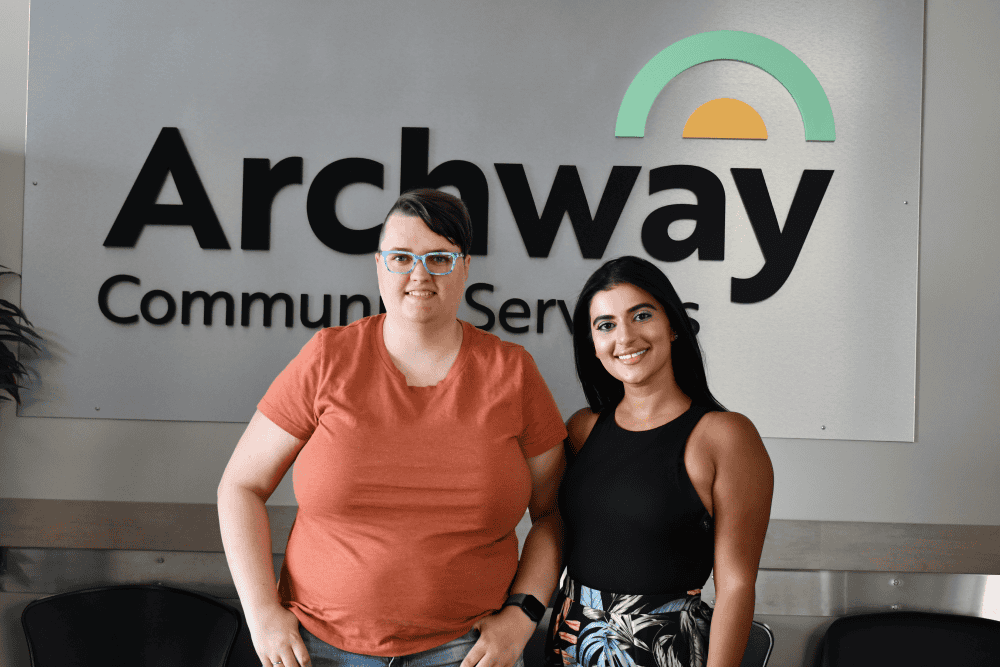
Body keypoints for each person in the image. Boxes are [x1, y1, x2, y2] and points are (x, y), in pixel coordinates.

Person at [218, 189, 568, 667]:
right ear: (378, 265)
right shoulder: (327, 358)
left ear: (465, 267)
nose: (419, 273)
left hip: (471, 653)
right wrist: (260, 614)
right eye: (401, 257)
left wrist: (523, 617)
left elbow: (553, 514)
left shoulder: (512, 372)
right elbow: (241, 485)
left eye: (439, 258)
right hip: (317, 649)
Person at [545, 256, 773, 667]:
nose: (625, 337)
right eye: (606, 325)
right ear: (593, 345)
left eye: (642, 315)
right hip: (570, 642)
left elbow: (737, 585)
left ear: (672, 326)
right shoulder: (581, 428)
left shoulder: (725, 435)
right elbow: (554, 534)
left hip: (666, 651)